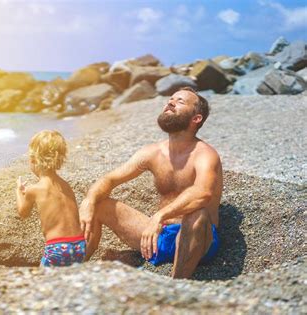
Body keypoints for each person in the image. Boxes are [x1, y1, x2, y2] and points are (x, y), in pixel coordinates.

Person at [79, 87, 222, 279]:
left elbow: (202, 193)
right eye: (170, 99)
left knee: (196, 213)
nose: (170, 102)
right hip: (160, 236)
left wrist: (159, 216)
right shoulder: (152, 152)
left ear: (196, 118)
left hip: (199, 242)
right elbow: (110, 179)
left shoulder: (205, 154)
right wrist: (88, 202)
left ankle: (176, 284)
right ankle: (74, 270)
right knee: (99, 205)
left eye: (180, 101)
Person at [16, 130, 86, 267]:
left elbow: (23, 212)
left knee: (43, 283)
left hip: (57, 248)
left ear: (33, 160)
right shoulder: (66, 186)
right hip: (79, 245)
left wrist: (19, 191)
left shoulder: (34, 189)